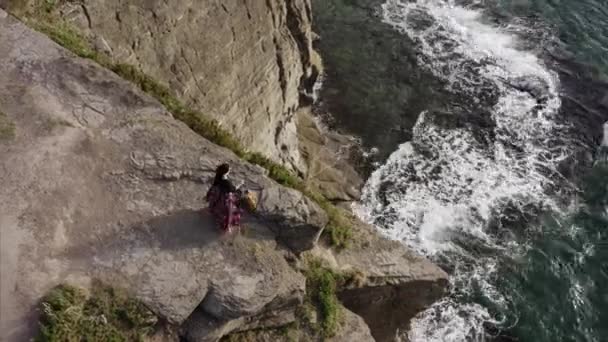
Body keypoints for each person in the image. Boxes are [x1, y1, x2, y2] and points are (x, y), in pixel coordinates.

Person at [206, 163, 244, 232]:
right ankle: (227, 225)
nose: (230, 169)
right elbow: (233, 189)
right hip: (225, 199)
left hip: (218, 196)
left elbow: (214, 186)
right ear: (226, 172)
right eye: (229, 169)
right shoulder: (226, 182)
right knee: (235, 202)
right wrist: (240, 184)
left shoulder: (218, 176)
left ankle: (215, 213)